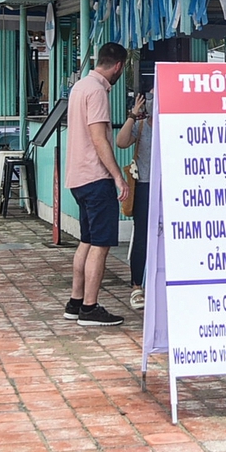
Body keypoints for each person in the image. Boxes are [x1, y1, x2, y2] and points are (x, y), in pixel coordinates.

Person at [64, 42, 130, 326]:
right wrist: (117, 175)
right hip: (95, 177)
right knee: (101, 245)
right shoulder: (98, 91)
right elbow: (99, 138)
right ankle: (90, 308)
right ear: (118, 66)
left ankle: (75, 301)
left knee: (87, 241)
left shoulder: (80, 86)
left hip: (77, 177)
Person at [115, 82, 153, 310]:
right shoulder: (140, 127)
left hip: (167, 187)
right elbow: (120, 142)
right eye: (149, 97)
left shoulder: (173, 125)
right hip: (145, 186)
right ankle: (136, 286)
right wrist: (133, 115)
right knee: (142, 237)